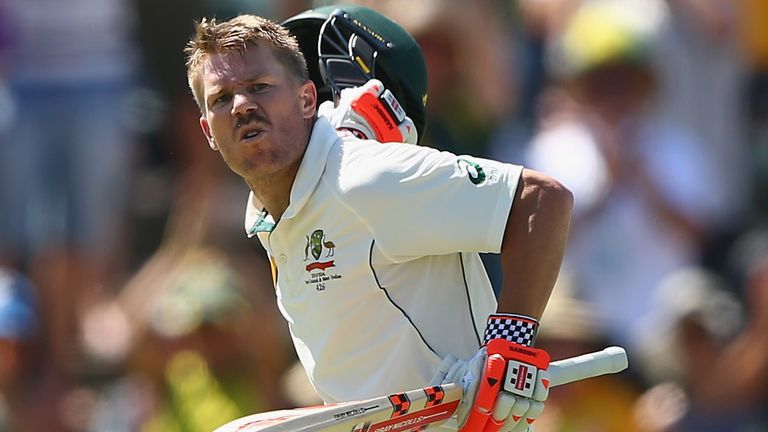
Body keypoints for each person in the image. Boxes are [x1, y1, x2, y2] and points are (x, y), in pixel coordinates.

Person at [183, 6, 573, 431]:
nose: (242, 106)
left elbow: (542, 200)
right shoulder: (266, 217)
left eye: (259, 87)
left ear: (307, 98)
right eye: (222, 98)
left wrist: (510, 345)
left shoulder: (362, 177)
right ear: (208, 131)